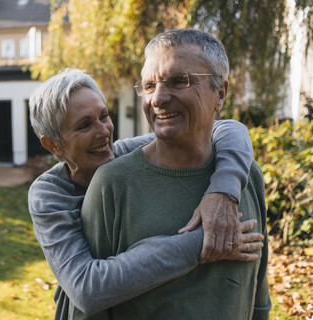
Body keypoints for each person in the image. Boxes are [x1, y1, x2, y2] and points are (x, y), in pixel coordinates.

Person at [28, 68, 264, 319]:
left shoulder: (127, 154)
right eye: (85, 125)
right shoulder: (49, 194)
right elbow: (87, 288)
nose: (104, 131)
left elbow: (227, 129)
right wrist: (208, 240)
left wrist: (222, 191)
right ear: (52, 144)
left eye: (104, 116)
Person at [77, 29, 272, 319]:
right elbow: (89, 308)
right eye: (148, 85)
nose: (157, 99)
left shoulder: (246, 176)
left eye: (178, 81)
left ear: (220, 93)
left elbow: (257, 294)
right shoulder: (113, 185)